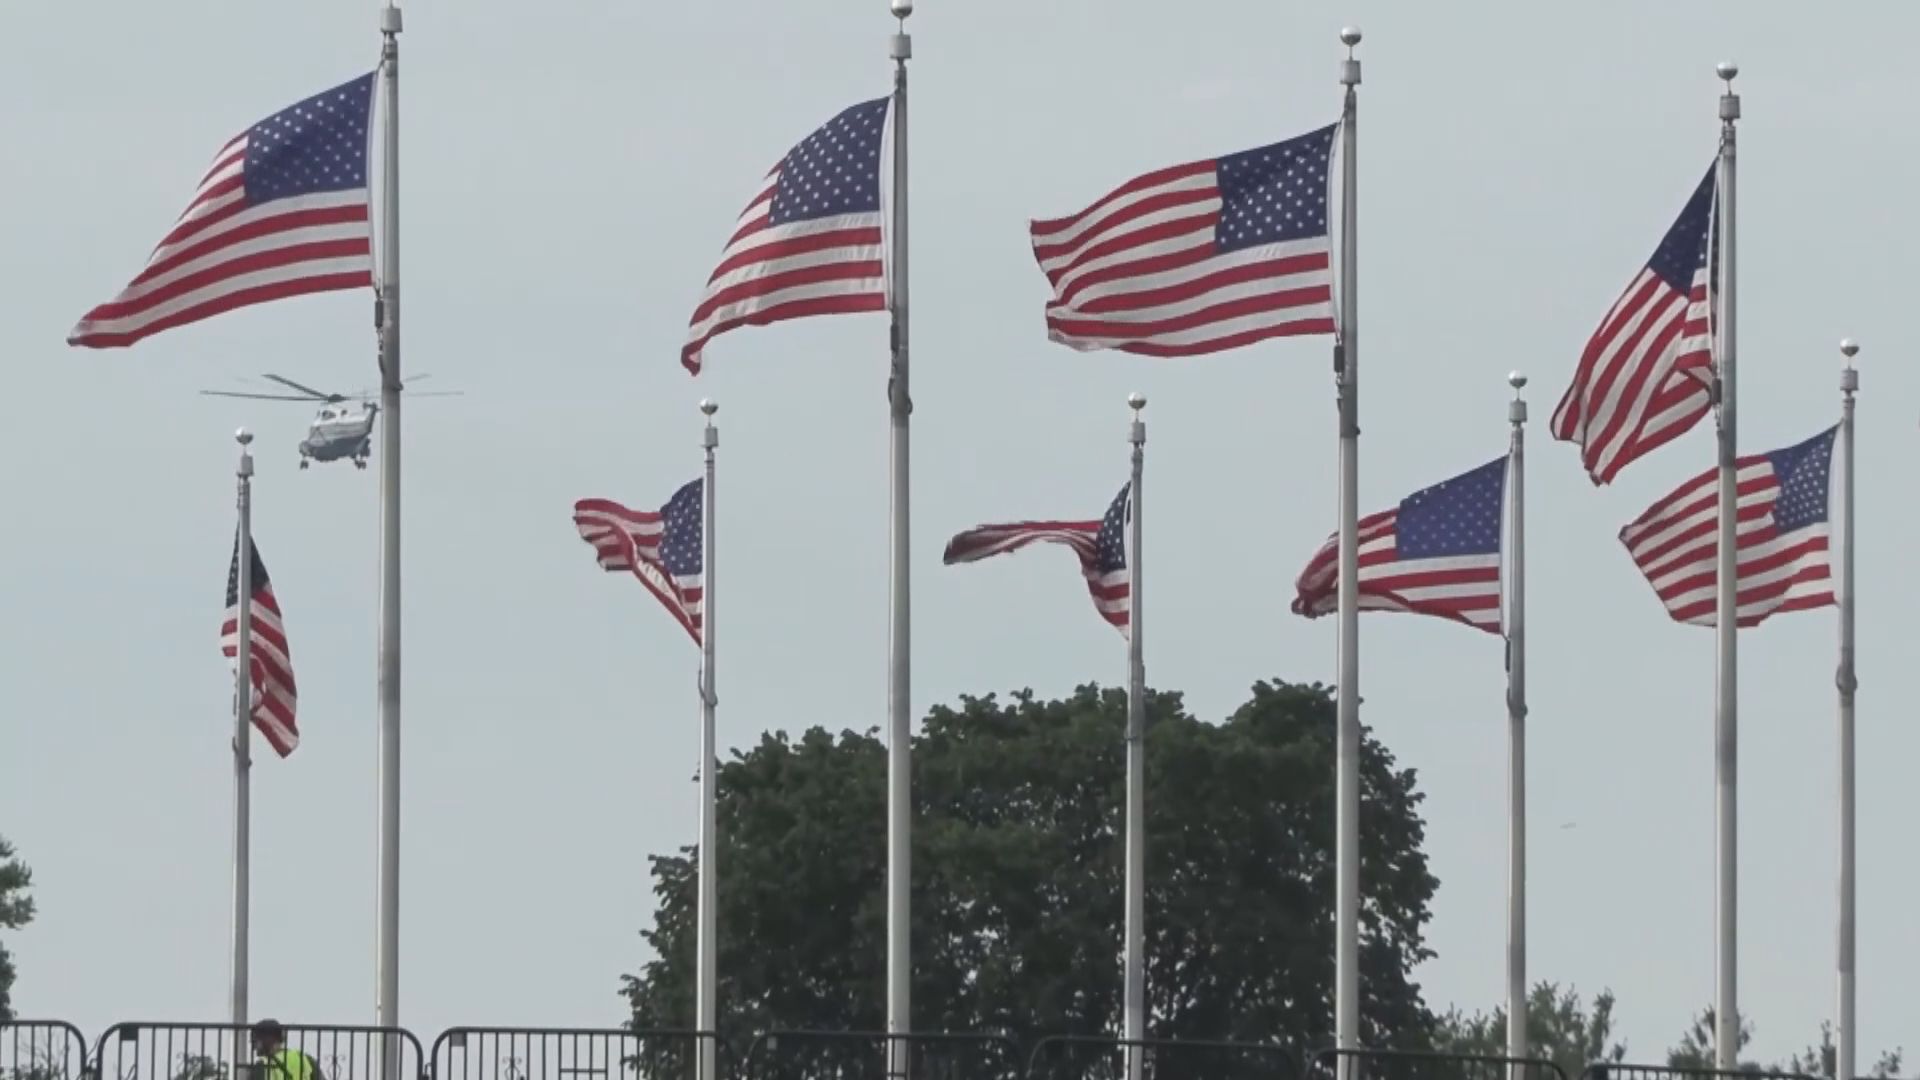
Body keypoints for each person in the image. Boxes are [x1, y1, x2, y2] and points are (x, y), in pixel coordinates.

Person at [250, 1020, 322, 1080]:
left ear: (268, 1039)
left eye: (255, 1041)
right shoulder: (305, 1059)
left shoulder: (262, 1065)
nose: (254, 1048)